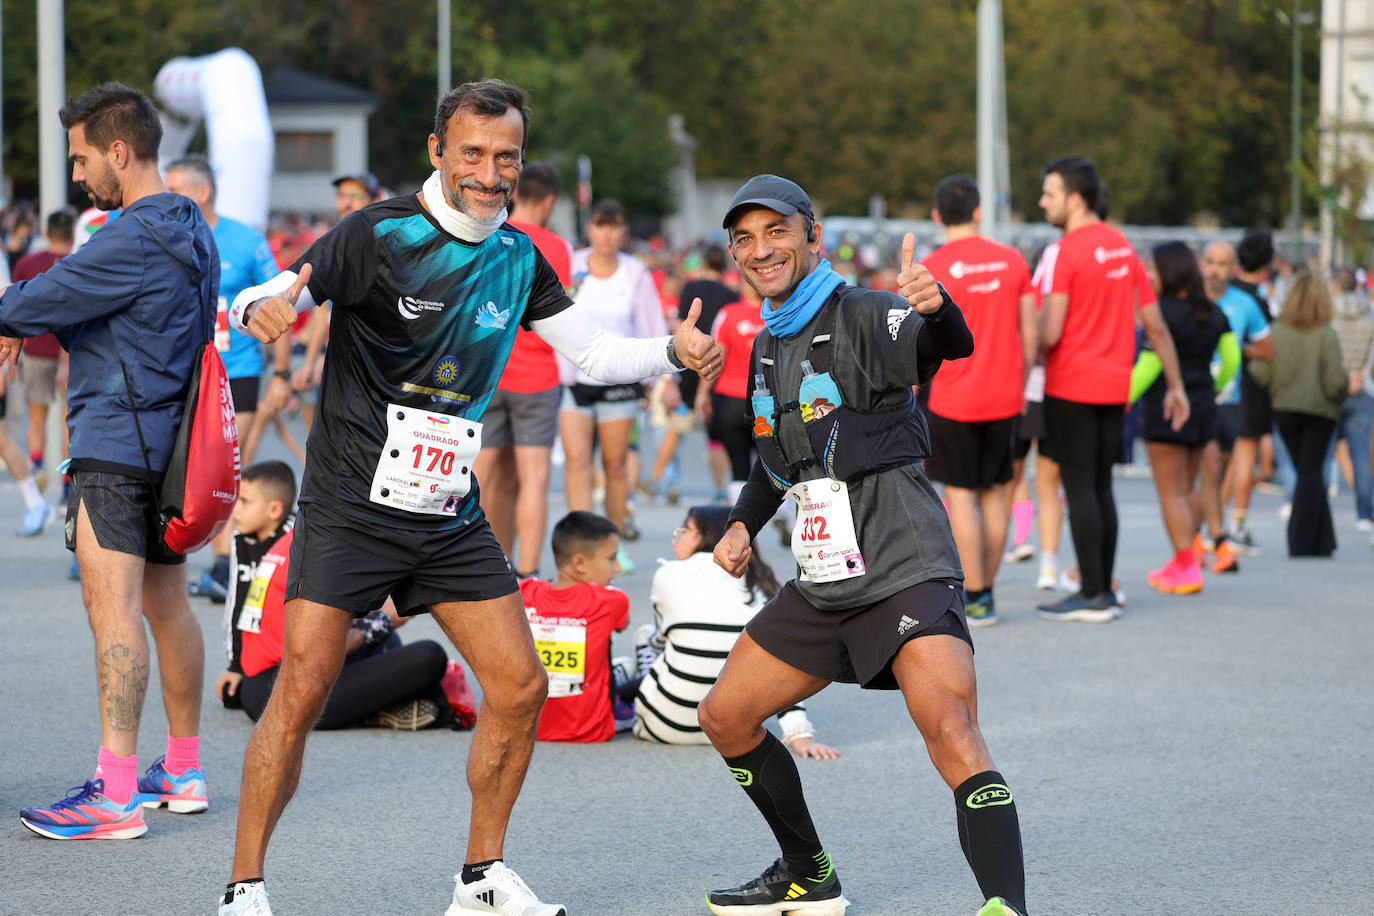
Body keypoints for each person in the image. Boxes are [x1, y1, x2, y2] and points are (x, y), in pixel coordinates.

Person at [220, 78, 719, 916]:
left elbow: (591, 355)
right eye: (474, 155)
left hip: (446, 513)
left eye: (508, 158)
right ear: (438, 153)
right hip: (350, 508)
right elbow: (273, 290)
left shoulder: (519, 257)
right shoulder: (378, 233)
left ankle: (481, 879)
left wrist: (673, 349)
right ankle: (244, 888)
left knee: (520, 687)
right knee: (301, 689)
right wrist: (260, 307)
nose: (492, 174)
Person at [697, 174, 1026, 916]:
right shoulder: (764, 344)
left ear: (813, 236)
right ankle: (809, 872)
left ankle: (1007, 907)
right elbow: (776, 458)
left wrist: (937, 308)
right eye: (745, 239)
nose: (760, 250)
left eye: (776, 232)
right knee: (724, 715)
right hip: (822, 579)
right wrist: (745, 522)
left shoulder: (867, 311)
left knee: (950, 729)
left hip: (904, 564)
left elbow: (947, 344)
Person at [0, 83, 215, 840]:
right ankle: (181, 769)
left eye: (82, 157)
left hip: (115, 445)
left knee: (113, 609)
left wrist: (11, 325)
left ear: (120, 152)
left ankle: (116, 792)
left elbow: (30, 303)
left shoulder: (126, 238)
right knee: (168, 605)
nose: (78, 174)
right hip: (174, 448)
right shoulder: (192, 226)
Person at [1034, 156, 1189, 622]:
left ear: (1075, 199)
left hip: (1071, 385)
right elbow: (1157, 327)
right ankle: (1103, 587)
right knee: (1101, 487)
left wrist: (1026, 344)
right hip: (1114, 388)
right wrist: (1176, 385)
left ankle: (1094, 594)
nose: (1043, 202)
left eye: (1050, 194)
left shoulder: (1065, 250)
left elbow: (1052, 331)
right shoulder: (1123, 248)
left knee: (1080, 488)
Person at [216, 461, 453, 730]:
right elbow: (326, 644)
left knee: (385, 641)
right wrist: (382, 622)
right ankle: (374, 712)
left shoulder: (301, 535)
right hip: (279, 691)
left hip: (264, 679)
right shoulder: (325, 553)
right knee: (429, 656)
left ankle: (378, 706)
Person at [164, 156, 290, 602]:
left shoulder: (246, 239)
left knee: (232, 473)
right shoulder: (164, 237)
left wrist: (283, 372)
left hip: (239, 373)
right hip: (184, 374)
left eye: (174, 186)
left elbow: (280, 303)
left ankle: (228, 565)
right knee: (192, 473)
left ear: (202, 192)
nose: (165, 193)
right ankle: (223, 562)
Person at [920, 175, 1036, 627]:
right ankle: (988, 592)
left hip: (952, 399)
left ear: (936, 216)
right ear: (977, 212)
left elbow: (912, 341)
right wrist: (1019, 382)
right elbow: (1030, 334)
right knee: (996, 494)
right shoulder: (1012, 262)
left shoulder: (928, 267)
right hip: (1005, 396)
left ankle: (975, 595)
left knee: (962, 496)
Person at [635, 504, 837, 759]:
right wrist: (800, 734)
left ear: (708, 538)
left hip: (663, 726)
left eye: (684, 531)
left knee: (646, 638)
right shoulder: (761, 584)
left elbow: (660, 641)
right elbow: (782, 667)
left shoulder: (668, 574)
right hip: (733, 730)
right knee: (769, 656)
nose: (675, 540)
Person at [559, 198, 673, 573]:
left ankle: (613, 543)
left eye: (614, 226)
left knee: (615, 465)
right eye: (599, 225)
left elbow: (652, 324)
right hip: (576, 378)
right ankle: (577, 546)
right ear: (589, 229)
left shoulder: (634, 272)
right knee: (576, 462)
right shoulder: (572, 267)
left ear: (623, 232)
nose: (606, 234)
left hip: (619, 378)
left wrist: (663, 378)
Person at [472, 163, 572, 579]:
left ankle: (478, 564)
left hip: (490, 373)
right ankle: (528, 572)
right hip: (537, 378)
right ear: (549, 200)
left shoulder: (491, 236)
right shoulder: (558, 247)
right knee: (533, 481)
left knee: (478, 478)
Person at [1132, 243, 1238, 594]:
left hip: (1167, 409)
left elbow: (1150, 364)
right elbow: (1232, 359)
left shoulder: (1160, 314)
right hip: (1204, 407)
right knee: (1187, 489)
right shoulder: (1212, 310)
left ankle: (1187, 565)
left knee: (1170, 494)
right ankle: (1182, 559)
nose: (1148, 275)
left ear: (1167, 272)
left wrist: (1122, 398)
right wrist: (1210, 387)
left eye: (1153, 269)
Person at [1249, 271, 1349, 556]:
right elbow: (1335, 381)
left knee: (1308, 472)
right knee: (1311, 472)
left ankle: (1322, 540)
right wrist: (1340, 393)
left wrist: (1279, 387)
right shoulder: (1326, 335)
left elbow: (1260, 371)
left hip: (1286, 410)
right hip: (1320, 412)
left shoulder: (1277, 332)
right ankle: (1303, 541)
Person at [518, 511, 630, 743]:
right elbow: (623, 623)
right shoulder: (611, 601)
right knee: (629, 668)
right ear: (579, 563)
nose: (617, 568)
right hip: (591, 731)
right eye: (611, 558)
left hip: (529, 729)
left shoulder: (526, 592)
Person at [1197, 240, 1269, 573]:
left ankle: (1210, 537)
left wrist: (1235, 352)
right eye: (1210, 262)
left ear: (1234, 269)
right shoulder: (1189, 299)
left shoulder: (1244, 304)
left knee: (1217, 471)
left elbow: (1267, 348)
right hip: (1193, 397)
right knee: (1191, 474)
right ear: (1201, 264)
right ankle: (1202, 540)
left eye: (1223, 264)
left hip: (1227, 399)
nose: (1215, 269)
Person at [14, 209, 74, 500]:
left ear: (47, 232)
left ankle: (37, 466)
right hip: (70, 353)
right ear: (73, 233)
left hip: (35, 350)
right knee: (68, 420)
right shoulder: (79, 263)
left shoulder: (27, 263)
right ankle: (66, 486)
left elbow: (14, 307)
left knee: (36, 418)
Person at [1223, 230, 1277, 550]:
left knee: (1221, 461)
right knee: (1244, 459)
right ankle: (1237, 527)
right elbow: (1267, 348)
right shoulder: (1255, 300)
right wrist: (1241, 348)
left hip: (1220, 385)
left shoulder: (1225, 295)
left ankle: (1214, 527)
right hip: (1250, 386)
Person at [674, 244, 739, 498]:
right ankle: (724, 487)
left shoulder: (691, 287)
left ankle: (664, 478)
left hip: (689, 358)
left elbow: (681, 326)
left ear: (703, 263)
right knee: (716, 432)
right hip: (715, 363)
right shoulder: (731, 295)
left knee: (676, 423)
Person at [695, 282, 767, 491]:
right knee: (771, 462)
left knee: (738, 464)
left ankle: (740, 518)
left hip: (730, 399)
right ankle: (777, 511)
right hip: (766, 400)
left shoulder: (729, 314)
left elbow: (716, 358)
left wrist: (702, 395)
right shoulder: (777, 315)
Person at [1327, 268, 1374, 530]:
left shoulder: (1327, 313)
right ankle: (1365, 513)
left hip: (1332, 388)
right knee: (1362, 455)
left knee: (1323, 451)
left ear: (1334, 285)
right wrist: (1360, 374)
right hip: (1362, 386)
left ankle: (1319, 510)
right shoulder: (1368, 312)